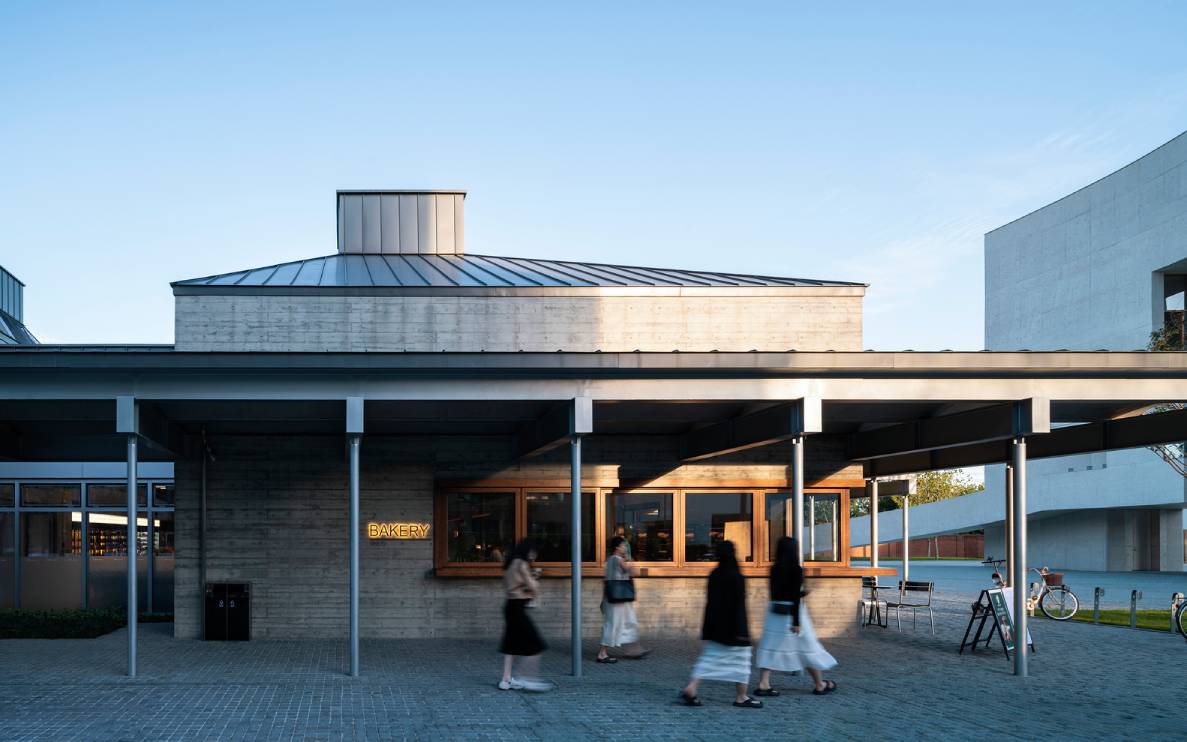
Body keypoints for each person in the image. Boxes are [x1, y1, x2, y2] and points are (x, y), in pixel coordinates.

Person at [680, 540, 762, 708]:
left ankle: (692, 687)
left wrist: (707, 630)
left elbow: (710, 603)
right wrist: (742, 632)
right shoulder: (737, 576)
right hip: (735, 628)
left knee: (708, 659)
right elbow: (739, 606)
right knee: (742, 662)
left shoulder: (714, 574)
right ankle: (741, 696)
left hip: (716, 627)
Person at [754, 536, 838, 696]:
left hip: (775, 613)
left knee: (771, 646)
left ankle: (763, 683)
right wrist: (796, 622)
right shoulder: (796, 569)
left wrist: (800, 594)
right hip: (793, 614)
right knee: (806, 647)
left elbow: (778, 593)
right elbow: (793, 597)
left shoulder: (774, 569)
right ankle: (820, 684)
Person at [498, 539, 551, 692]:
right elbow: (533, 586)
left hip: (510, 606)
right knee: (536, 644)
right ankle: (527, 678)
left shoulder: (511, 564)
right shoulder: (521, 564)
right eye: (533, 551)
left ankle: (506, 679)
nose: (534, 555)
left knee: (511, 644)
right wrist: (535, 581)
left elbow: (509, 586)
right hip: (517, 608)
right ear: (526, 550)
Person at [596, 536, 651, 663]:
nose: (625, 547)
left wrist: (603, 599)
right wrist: (630, 560)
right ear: (617, 547)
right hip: (619, 599)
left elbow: (606, 581)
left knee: (627, 622)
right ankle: (602, 654)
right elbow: (633, 572)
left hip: (613, 598)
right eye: (623, 545)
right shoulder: (618, 559)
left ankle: (633, 650)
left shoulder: (609, 560)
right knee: (614, 625)